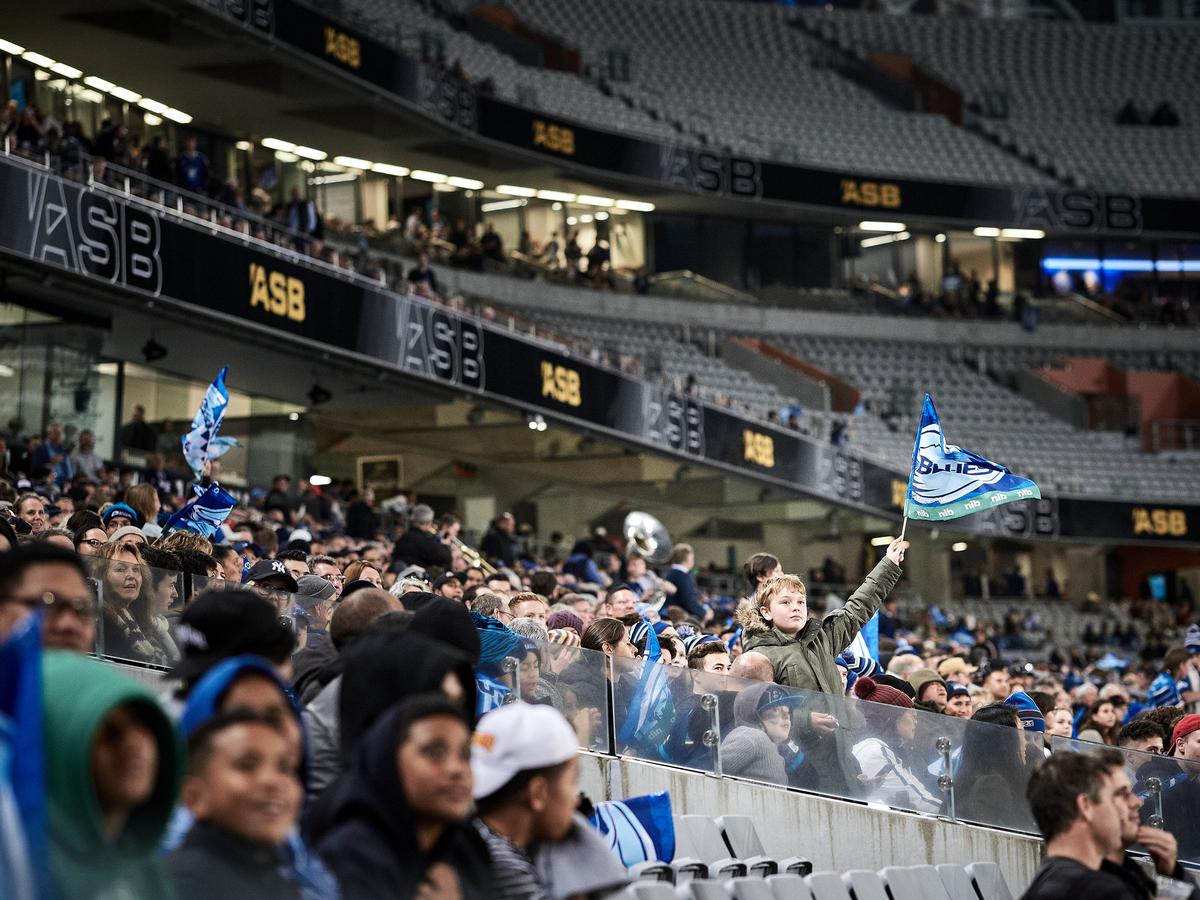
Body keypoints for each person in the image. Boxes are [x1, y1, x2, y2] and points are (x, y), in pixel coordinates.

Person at [316, 696, 492, 899]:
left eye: (465, 755)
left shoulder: (466, 851)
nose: (456, 769)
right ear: (388, 761)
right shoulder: (351, 858)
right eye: (434, 752)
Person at [41, 651, 182, 900]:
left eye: (142, 725)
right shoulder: (25, 869)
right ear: (60, 746)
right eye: (110, 732)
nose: (134, 743)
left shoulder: (145, 868)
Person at [471, 703, 628, 900]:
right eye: (571, 783)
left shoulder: (477, 843)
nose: (576, 801)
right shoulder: (500, 867)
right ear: (537, 794)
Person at [168, 710, 307, 900]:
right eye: (246, 765)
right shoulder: (181, 885)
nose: (274, 782)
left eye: (284, 768)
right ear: (194, 797)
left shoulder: (282, 879)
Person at [737, 539, 906, 695]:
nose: (795, 607)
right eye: (786, 602)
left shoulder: (824, 638)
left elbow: (859, 606)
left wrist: (889, 564)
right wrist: (807, 720)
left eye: (801, 602)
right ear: (766, 611)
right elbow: (756, 708)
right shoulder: (758, 656)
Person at [1019, 749, 1140, 900]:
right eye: (1121, 794)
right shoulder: (1103, 892)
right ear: (1086, 806)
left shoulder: (1039, 889)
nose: (1137, 802)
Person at [851, 677, 942, 813]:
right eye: (911, 713)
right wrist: (953, 812)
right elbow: (920, 800)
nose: (916, 719)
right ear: (892, 717)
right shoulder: (875, 751)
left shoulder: (887, 749)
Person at [393, 504, 453, 570]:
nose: (431, 524)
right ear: (426, 523)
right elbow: (445, 559)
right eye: (431, 522)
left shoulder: (402, 539)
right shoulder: (425, 541)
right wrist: (445, 545)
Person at [664, 544, 707, 622]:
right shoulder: (683, 576)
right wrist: (704, 613)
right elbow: (688, 603)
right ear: (688, 559)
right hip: (682, 618)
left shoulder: (669, 573)